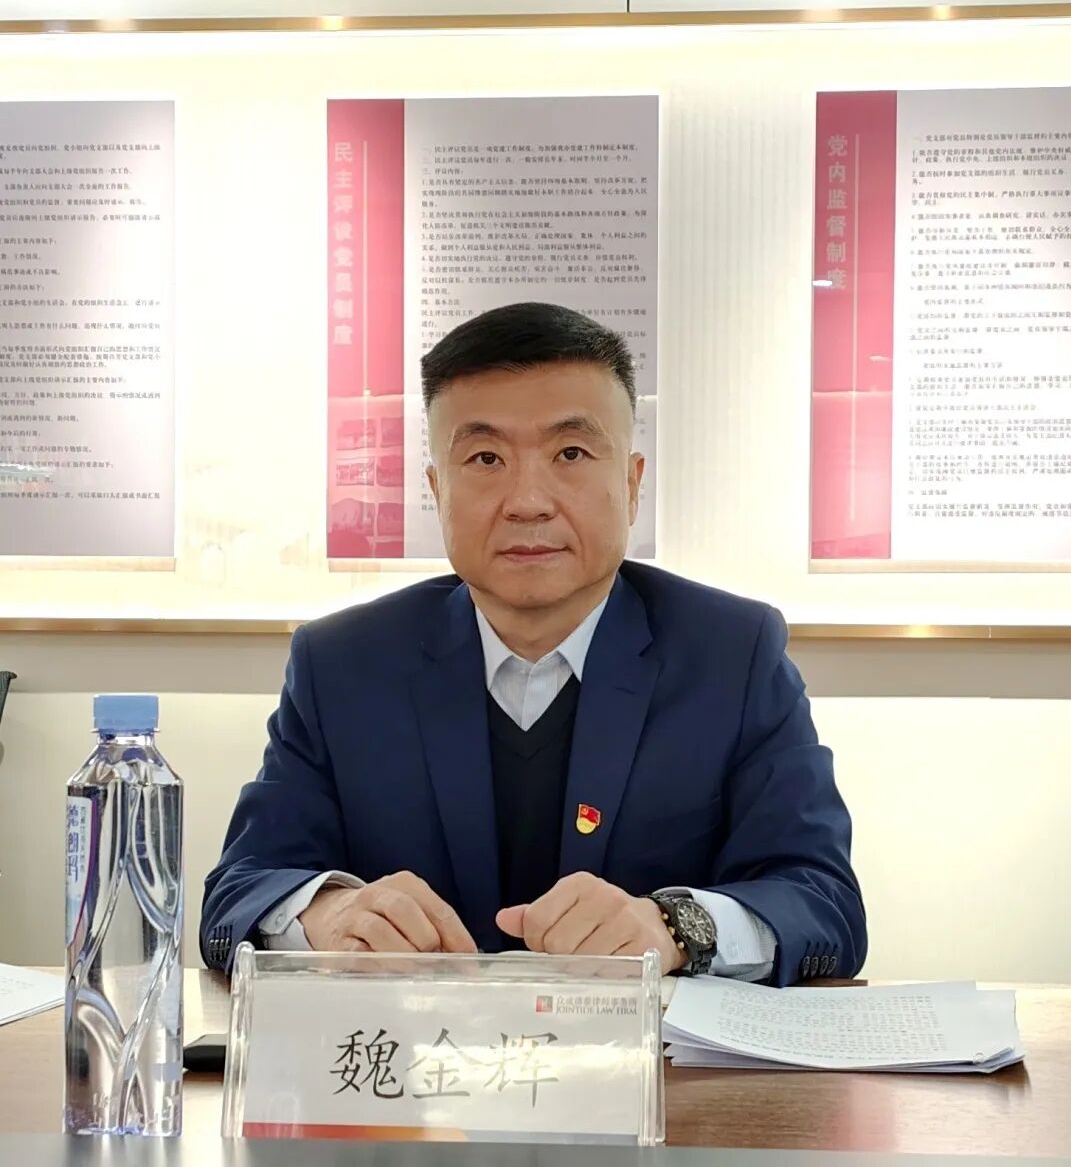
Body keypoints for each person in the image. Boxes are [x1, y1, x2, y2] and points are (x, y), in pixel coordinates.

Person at [202, 303, 866, 985]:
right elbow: (239, 893)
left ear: (632, 483)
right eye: (485, 458)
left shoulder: (732, 655)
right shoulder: (343, 665)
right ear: (437, 489)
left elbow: (824, 905)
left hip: (652, 1055)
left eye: (570, 453)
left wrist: (675, 926)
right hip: (409, 1052)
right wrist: (328, 914)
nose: (528, 501)